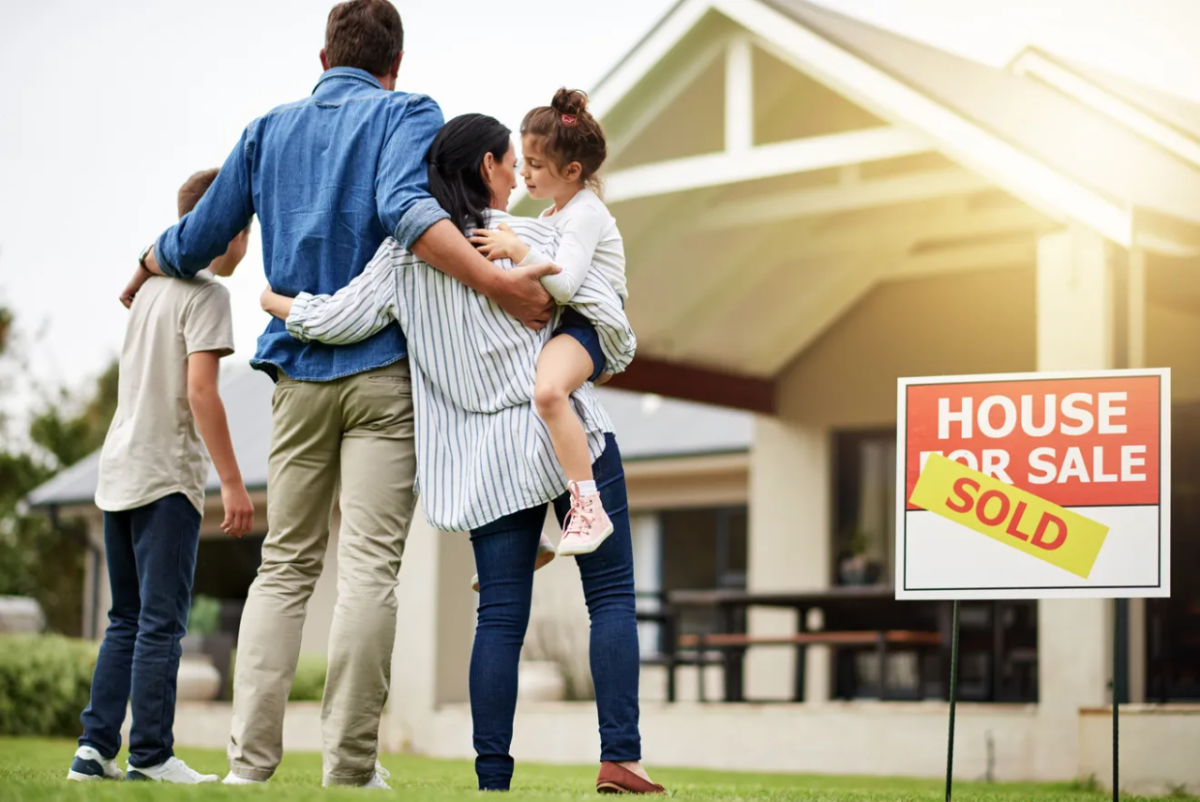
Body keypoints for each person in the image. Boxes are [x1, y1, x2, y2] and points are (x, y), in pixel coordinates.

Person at [117, 0, 557, 789]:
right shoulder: (407, 112)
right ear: (394, 66)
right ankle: (351, 769)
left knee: (284, 569)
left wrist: (151, 258)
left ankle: (248, 768)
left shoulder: (266, 130)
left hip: (296, 375)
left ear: (324, 60)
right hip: (382, 374)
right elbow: (407, 208)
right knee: (368, 572)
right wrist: (498, 283)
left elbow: (197, 239)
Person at [261, 113, 662, 795]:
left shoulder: (400, 258)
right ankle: (619, 758)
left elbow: (332, 321)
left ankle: (492, 780)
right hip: (563, 435)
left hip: (483, 460)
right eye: (512, 162)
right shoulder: (530, 235)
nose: (520, 175)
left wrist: (272, 299)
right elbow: (604, 306)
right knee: (612, 598)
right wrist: (606, 348)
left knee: (500, 616)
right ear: (485, 168)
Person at [68, 168, 254, 785]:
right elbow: (202, 394)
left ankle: (93, 752)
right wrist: (230, 481)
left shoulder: (149, 291)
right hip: (165, 476)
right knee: (160, 623)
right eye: (243, 227)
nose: (246, 241)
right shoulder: (207, 296)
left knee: (125, 618)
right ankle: (149, 755)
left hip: (117, 471)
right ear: (220, 227)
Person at [471, 88, 626, 559]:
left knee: (548, 393)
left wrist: (517, 250)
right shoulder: (552, 215)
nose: (524, 173)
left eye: (535, 165)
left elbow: (566, 285)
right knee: (517, 403)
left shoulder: (586, 215)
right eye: (523, 163)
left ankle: (587, 505)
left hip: (589, 325)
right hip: (560, 327)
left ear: (572, 171)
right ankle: (533, 525)